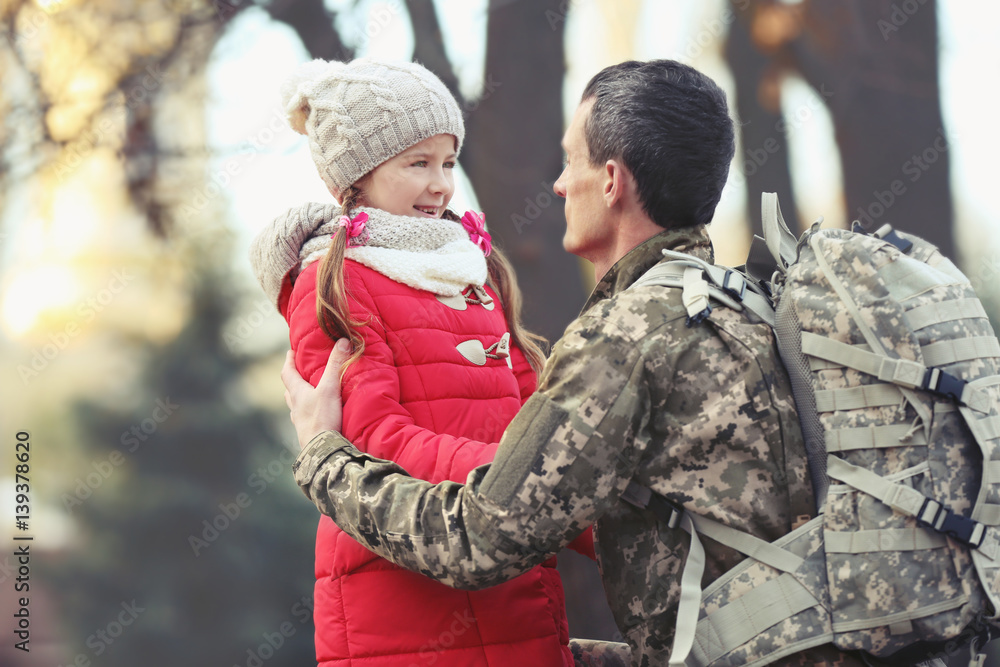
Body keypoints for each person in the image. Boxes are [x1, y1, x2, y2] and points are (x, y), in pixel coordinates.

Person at [280, 60, 885, 666]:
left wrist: (323, 458)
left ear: (613, 181)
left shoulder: (625, 334)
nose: (559, 184)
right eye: (419, 163)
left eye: (571, 161)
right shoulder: (739, 306)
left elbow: (483, 536)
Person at [250, 58, 593, 667]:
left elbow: (535, 417)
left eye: (449, 163)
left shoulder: (471, 269)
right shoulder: (333, 281)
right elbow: (371, 438)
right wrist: (518, 480)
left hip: (512, 575)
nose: (441, 185)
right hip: (402, 593)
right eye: (418, 163)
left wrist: (610, 507)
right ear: (357, 175)